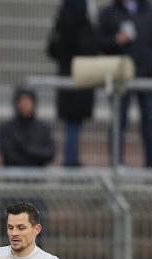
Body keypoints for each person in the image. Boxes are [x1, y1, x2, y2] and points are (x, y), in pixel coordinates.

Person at [98, 0, 152, 168]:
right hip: (120, 79)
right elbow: (98, 41)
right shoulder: (109, 13)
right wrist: (116, 40)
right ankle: (116, 168)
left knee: (149, 125)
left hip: (147, 78)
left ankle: (150, 168)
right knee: (118, 124)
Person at [47, 0, 101, 167]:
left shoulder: (61, 21)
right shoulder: (85, 23)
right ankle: (71, 159)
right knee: (74, 123)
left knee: (71, 122)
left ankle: (71, 158)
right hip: (81, 77)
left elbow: (52, 49)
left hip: (67, 76)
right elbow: (91, 48)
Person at [0, 87, 56, 167]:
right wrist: (34, 156)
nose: (25, 105)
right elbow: (8, 155)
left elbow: (49, 153)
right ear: (17, 103)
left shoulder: (43, 127)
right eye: (22, 102)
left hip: (38, 177)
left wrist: (25, 149)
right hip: (14, 176)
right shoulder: (7, 128)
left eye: (28, 102)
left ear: (34, 103)